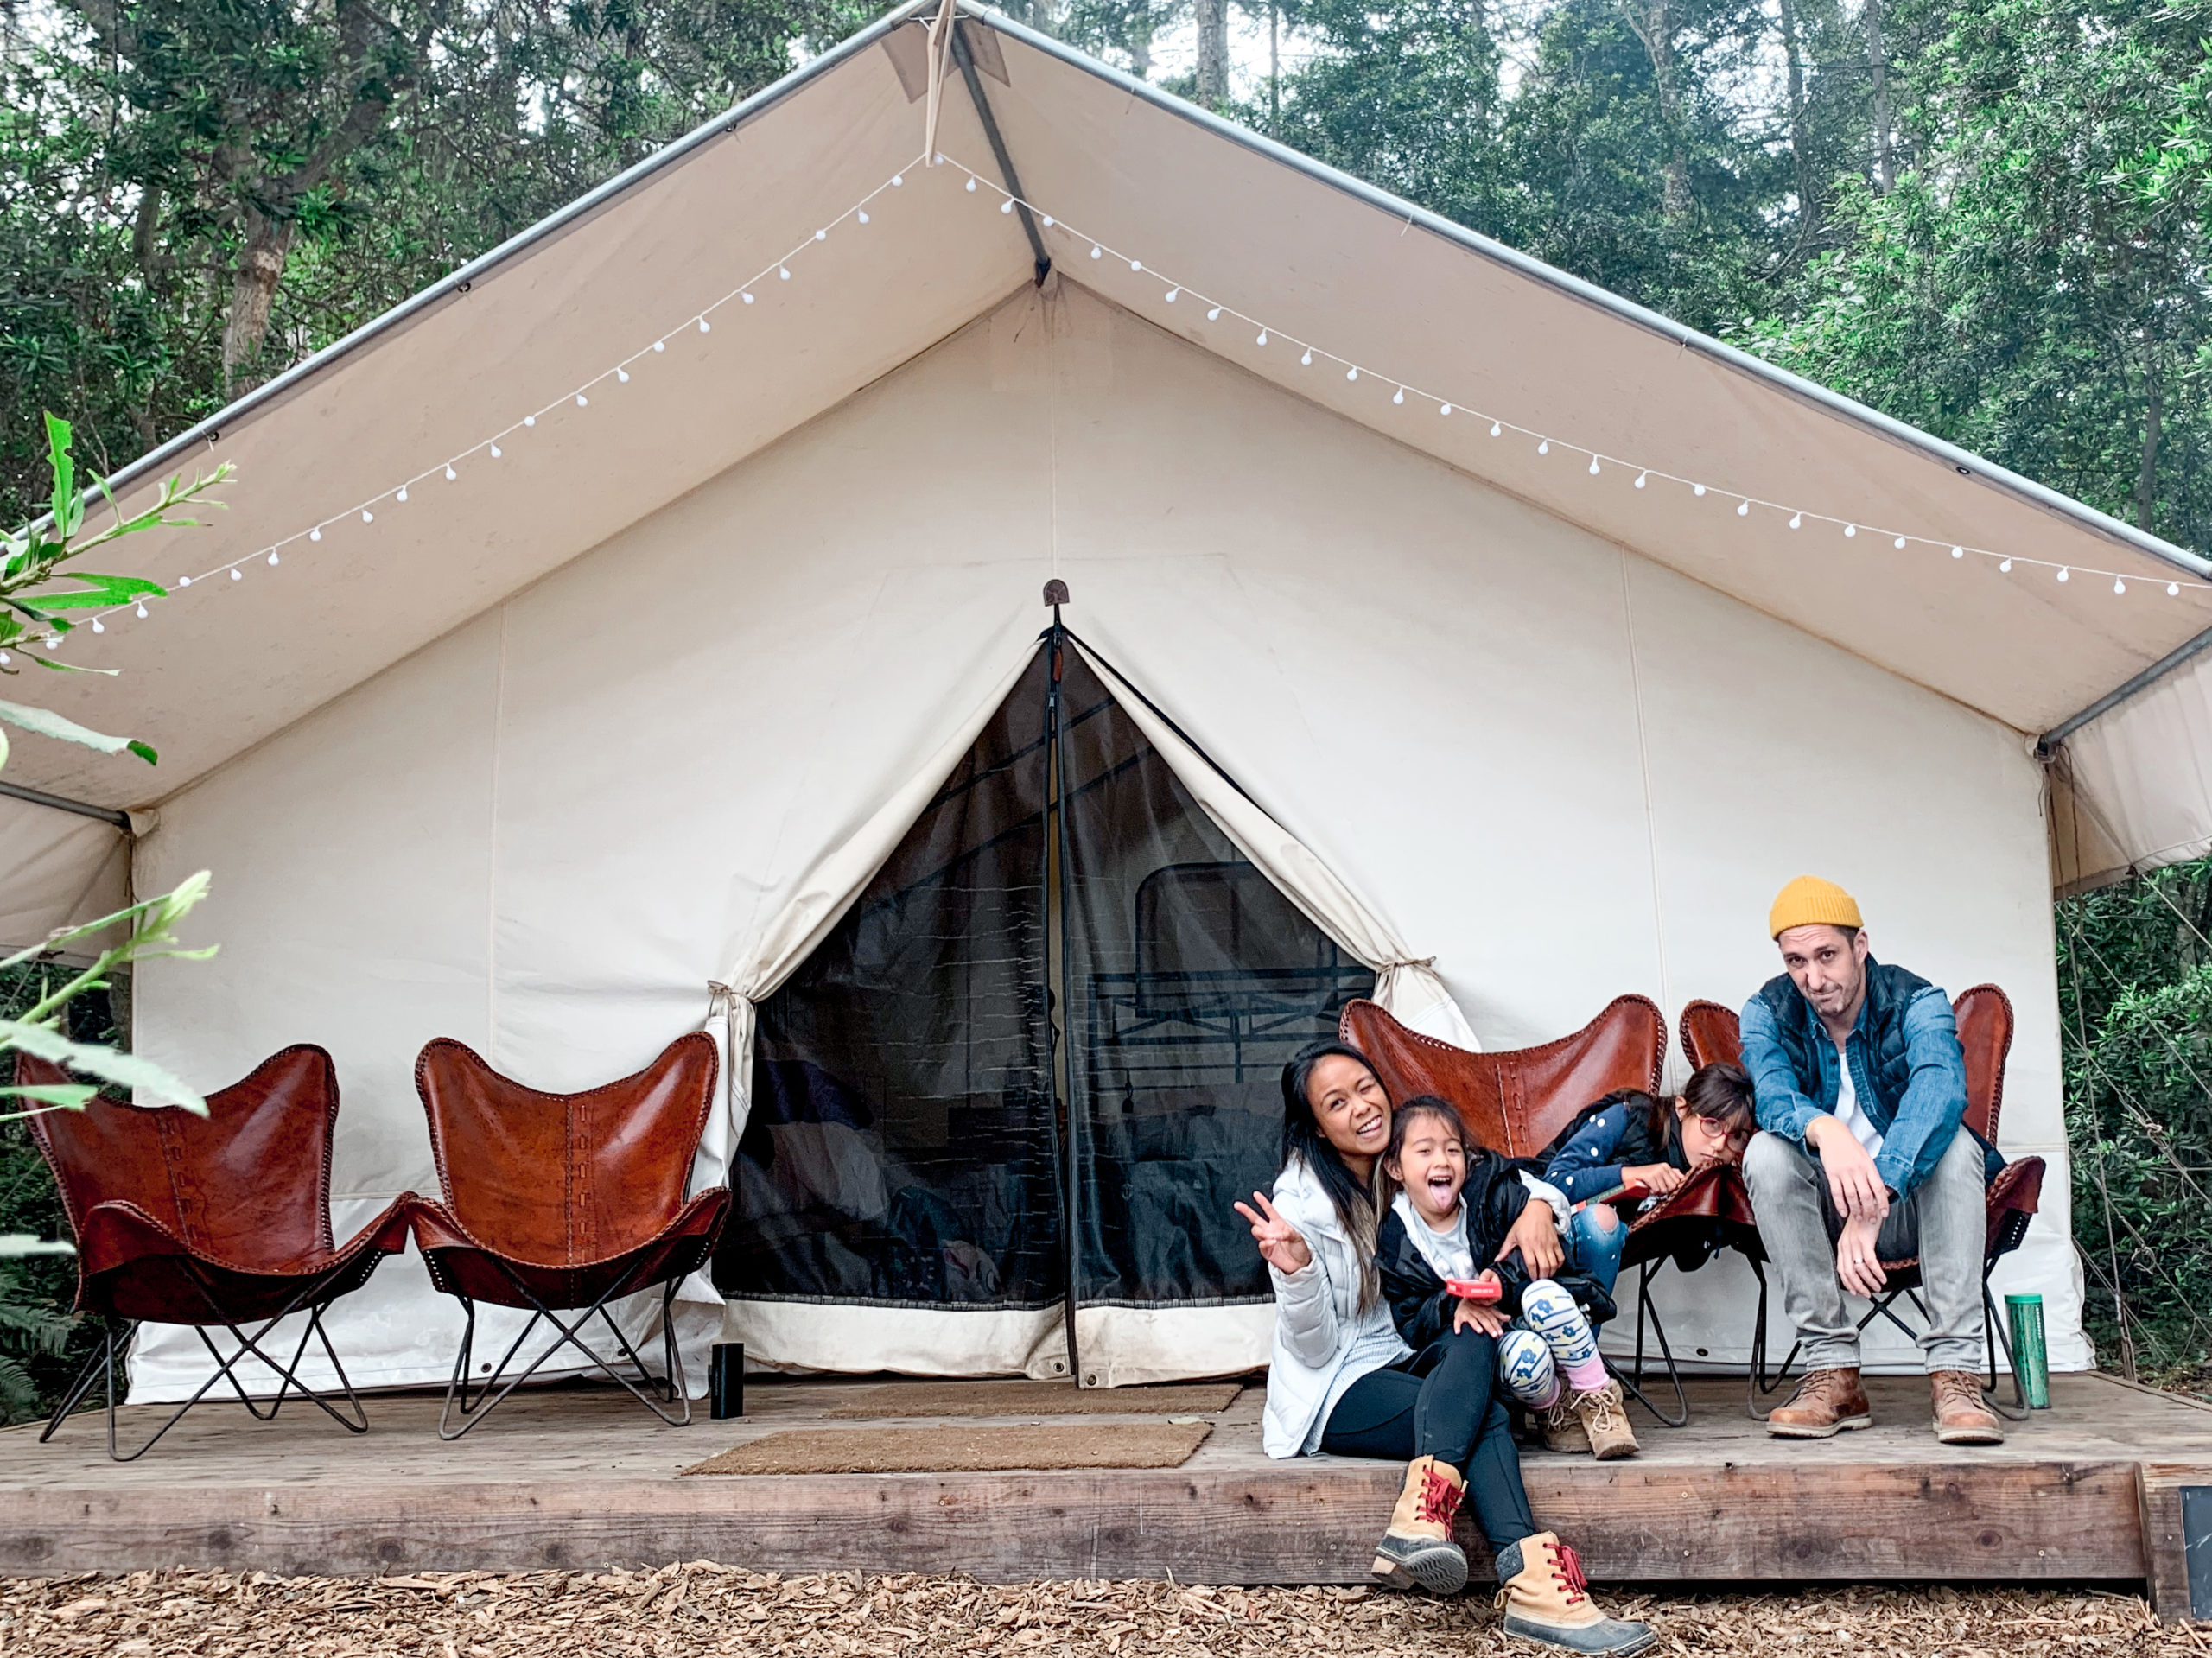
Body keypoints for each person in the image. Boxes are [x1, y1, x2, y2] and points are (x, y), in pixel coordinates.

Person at [1236, 1040, 1656, 1656]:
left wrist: (1540, 1206)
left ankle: (1423, 1520)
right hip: (1337, 1389)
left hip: (1408, 1352)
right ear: (1318, 1130)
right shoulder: (1301, 1205)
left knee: (1475, 1324)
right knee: (1479, 1411)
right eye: (1337, 1102)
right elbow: (1317, 1347)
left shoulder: (1413, 1152)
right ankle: (1533, 1583)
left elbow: (1517, 1177)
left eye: (1365, 1086)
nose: (1361, 1106)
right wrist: (1297, 1272)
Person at [1738, 876, 2007, 1445]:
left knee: (1957, 1145)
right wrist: (1826, 1128)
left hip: (1907, 1209)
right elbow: (1771, 1092)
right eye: (1796, 961)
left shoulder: (1918, 1001)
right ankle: (1832, 1372)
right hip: (1824, 1220)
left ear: (1860, 944)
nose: (1813, 978)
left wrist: (1878, 1194)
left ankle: (1955, 1374)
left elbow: (1941, 1091)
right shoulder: (1767, 1010)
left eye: (1827, 955)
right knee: (1765, 1152)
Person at [1377, 1094, 1638, 1462]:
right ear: (1395, 1168)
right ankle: (1552, 1411)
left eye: (1453, 1150)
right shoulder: (1396, 1237)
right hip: (1493, 1340)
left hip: (1528, 1307)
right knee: (1522, 1358)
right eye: (1425, 1152)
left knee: (1544, 1296)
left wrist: (1502, 1279)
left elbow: (1546, 1241)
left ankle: (1599, 1400)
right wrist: (1454, 1305)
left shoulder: (1488, 1191)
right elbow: (1409, 1315)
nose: (1443, 1161)